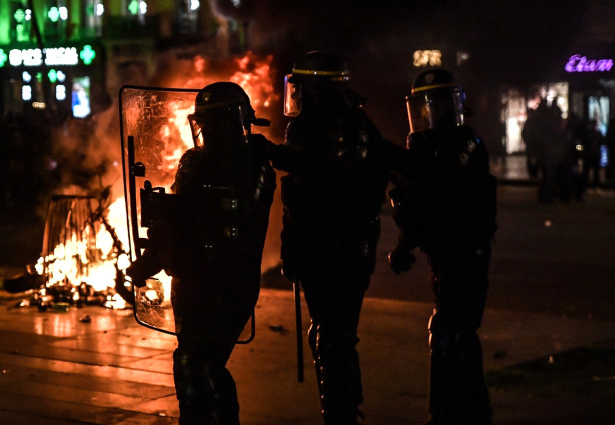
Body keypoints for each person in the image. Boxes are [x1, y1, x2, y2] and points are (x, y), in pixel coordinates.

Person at [265, 50, 403, 425]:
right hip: (355, 245)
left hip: (324, 247)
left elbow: (309, 188)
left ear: (312, 87)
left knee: (331, 336)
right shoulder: (359, 122)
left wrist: (277, 156)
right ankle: (346, 408)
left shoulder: (311, 126)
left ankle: (340, 415)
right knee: (337, 332)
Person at [127, 82, 276, 425]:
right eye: (203, 124)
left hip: (228, 281)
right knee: (192, 362)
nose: (206, 131)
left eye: (213, 123)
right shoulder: (194, 162)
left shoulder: (253, 165)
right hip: (191, 279)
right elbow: (179, 220)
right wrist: (154, 250)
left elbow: (232, 220)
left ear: (231, 121)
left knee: (201, 364)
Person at [388, 69, 497, 425]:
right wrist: (405, 244)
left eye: (437, 104)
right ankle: (462, 411)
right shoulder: (428, 149)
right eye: (424, 105)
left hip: (466, 253)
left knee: (453, 331)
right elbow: (420, 206)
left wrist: (393, 157)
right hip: (444, 255)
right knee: (454, 333)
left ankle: (454, 413)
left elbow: (437, 182)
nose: (430, 113)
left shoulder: (465, 144)